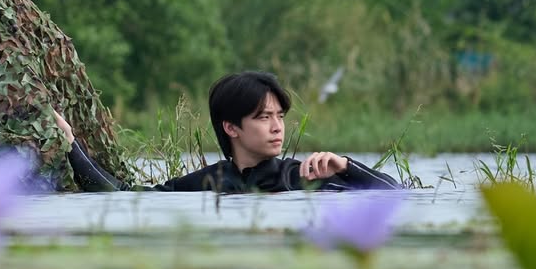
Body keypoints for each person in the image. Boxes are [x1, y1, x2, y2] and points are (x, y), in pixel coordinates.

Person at [56, 70, 400, 193]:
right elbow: (124, 197)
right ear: (231, 127)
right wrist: (71, 145)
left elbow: (396, 194)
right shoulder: (205, 183)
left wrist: (345, 167)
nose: (277, 126)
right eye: (264, 117)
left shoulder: (303, 177)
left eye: (279, 115)